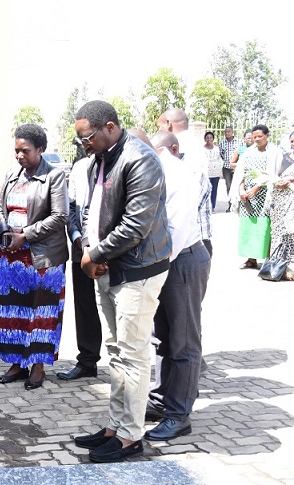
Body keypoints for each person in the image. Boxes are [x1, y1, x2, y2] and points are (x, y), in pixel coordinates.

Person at [72, 100, 170, 464]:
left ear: (110, 127)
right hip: (108, 267)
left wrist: (93, 256)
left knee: (132, 355)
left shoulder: (140, 159)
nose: (84, 144)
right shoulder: (99, 159)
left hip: (136, 270)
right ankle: (115, 426)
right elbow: (89, 211)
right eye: (80, 139)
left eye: (87, 137)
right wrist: (88, 247)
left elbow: (136, 225)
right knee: (115, 352)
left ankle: (131, 436)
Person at [144, 131, 211, 441]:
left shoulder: (176, 173)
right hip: (165, 262)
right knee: (163, 338)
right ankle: (162, 401)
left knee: (184, 342)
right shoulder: (157, 168)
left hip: (181, 260)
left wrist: (153, 269)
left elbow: (176, 230)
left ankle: (179, 414)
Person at [0, 124, 68, 391]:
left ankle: (37, 366)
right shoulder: (12, 174)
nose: (19, 155)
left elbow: (60, 216)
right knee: (14, 310)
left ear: (41, 149)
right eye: (16, 150)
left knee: (41, 313)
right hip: (11, 257)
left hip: (43, 259)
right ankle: (16, 363)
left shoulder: (54, 176)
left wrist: (25, 234)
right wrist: (6, 233)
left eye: (25, 151)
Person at [57, 149, 100, 381]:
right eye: (83, 140)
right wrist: (78, 238)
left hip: (111, 250)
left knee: (116, 307)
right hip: (80, 250)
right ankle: (87, 361)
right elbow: (71, 208)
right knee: (85, 306)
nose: (87, 144)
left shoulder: (120, 164)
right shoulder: (80, 167)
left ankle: (123, 366)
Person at [231, 124, 281, 269]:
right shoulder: (248, 153)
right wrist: (241, 189)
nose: (257, 139)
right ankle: (251, 259)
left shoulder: (274, 152)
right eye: (254, 137)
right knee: (248, 227)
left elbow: (274, 175)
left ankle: (267, 260)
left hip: (264, 197)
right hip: (247, 197)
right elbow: (241, 173)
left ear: (267, 135)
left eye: (260, 136)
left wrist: (257, 187)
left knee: (264, 227)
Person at [268, 131, 294, 281]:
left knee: (291, 231)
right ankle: (278, 267)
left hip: (292, 201)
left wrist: (291, 179)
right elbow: (274, 176)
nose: (293, 144)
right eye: (292, 141)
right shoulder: (284, 157)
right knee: (280, 232)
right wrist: (278, 183)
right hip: (280, 201)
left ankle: (290, 265)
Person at [218, 127, 238, 211]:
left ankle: (237, 205)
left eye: (229, 131)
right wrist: (226, 161)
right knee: (228, 186)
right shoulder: (222, 142)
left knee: (237, 185)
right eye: (225, 132)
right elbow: (220, 153)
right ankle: (230, 205)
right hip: (226, 168)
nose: (227, 133)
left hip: (237, 168)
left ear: (232, 132)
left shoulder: (239, 141)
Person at [203, 131, 222, 209]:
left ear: (213, 139)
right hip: (206, 171)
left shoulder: (217, 148)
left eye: (210, 138)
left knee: (214, 189)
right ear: (205, 139)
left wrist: (221, 171)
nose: (209, 139)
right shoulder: (202, 149)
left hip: (216, 171)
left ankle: (213, 206)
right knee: (206, 189)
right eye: (207, 138)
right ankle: (206, 206)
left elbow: (219, 158)